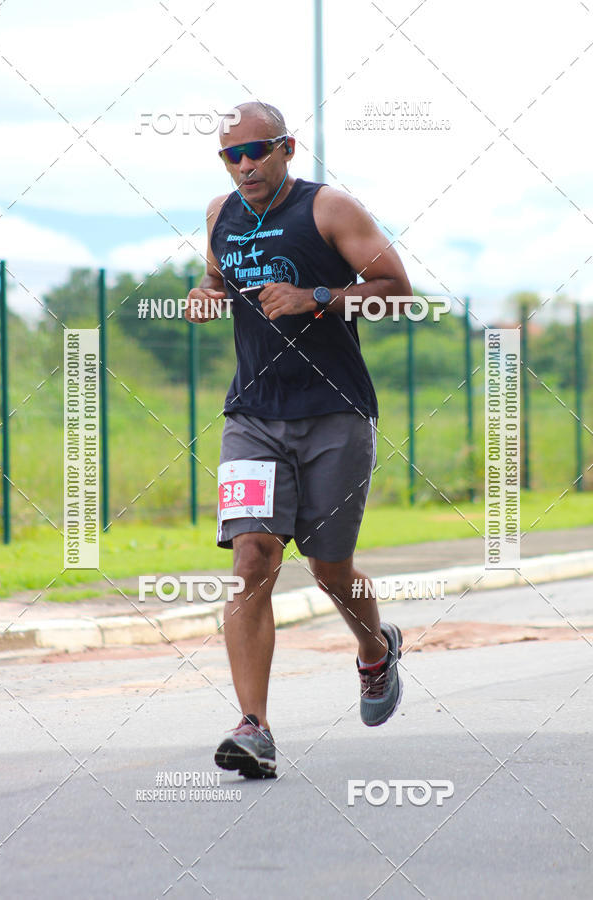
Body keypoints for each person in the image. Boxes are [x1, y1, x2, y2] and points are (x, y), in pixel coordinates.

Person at [186, 101, 413, 779]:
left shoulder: (330, 209)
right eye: (232, 155)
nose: (245, 165)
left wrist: (317, 295)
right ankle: (253, 727)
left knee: (329, 571)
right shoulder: (218, 215)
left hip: (335, 414)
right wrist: (205, 293)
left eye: (257, 151)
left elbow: (398, 294)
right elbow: (217, 278)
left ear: (288, 147)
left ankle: (375, 652)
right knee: (253, 557)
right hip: (251, 415)